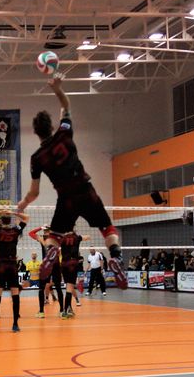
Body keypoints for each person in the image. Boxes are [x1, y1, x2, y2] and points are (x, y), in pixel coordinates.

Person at [16, 76, 127, 289]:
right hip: (86, 190)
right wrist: (57, 88)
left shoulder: (37, 158)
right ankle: (116, 257)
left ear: (35, 132)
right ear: (51, 126)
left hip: (66, 198)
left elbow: (34, 192)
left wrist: (23, 204)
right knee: (107, 228)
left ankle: (51, 253)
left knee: (54, 237)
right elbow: (66, 106)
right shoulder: (64, 133)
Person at [0, 210, 28, 333]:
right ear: (11, 220)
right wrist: (13, 212)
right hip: (12, 266)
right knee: (15, 294)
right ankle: (15, 325)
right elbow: (26, 217)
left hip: (1, 266)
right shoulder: (16, 231)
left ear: (0, 221)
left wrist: (0, 211)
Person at [29, 226, 64, 318]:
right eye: (45, 231)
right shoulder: (55, 240)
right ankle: (60, 311)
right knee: (55, 288)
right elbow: (31, 234)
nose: (45, 233)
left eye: (46, 231)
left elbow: (31, 233)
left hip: (48, 266)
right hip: (54, 266)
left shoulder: (43, 240)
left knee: (44, 289)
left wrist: (40, 228)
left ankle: (43, 312)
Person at [60, 230, 90, 318]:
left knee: (68, 287)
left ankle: (68, 309)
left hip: (64, 265)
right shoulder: (77, 237)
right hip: (72, 265)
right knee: (70, 288)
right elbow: (88, 237)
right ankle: (65, 311)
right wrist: (78, 235)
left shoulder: (62, 238)